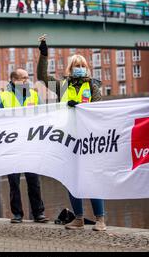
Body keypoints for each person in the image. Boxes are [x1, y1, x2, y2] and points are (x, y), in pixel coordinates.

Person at [36, 34, 107, 231]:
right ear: (69, 69)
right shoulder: (62, 85)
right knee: (72, 179)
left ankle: (100, 219)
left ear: (87, 68)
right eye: (76, 65)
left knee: (92, 178)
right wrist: (43, 54)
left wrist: (82, 108)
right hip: (68, 138)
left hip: (89, 139)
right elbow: (42, 77)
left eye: (82, 65)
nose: (79, 68)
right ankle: (79, 218)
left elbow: (98, 109)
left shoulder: (93, 86)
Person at [0, 69, 49, 224]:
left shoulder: (34, 95)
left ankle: (38, 213)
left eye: (28, 78)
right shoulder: (3, 97)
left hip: (31, 143)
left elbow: (45, 115)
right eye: (24, 78)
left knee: (34, 180)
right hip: (12, 144)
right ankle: (17, 214)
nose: (27, 81)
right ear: (14, 80)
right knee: (14, 181)